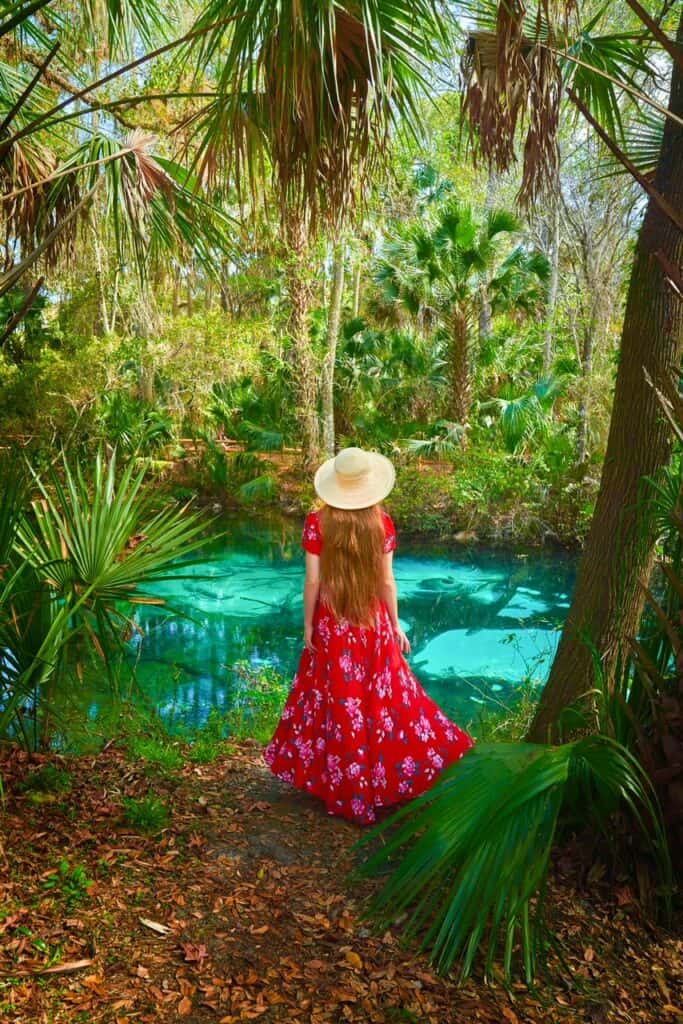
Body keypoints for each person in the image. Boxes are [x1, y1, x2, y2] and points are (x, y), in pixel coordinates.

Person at [264, 447, 473, 825]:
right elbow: (386, 581)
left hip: (332, 626)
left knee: (340, 706)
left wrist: (309, 624)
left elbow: (313, 580)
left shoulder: (316, 522)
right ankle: (378, 784)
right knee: (383, 702)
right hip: (371, 625)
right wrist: (394, 624)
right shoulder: (382, 524)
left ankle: (347, 787)